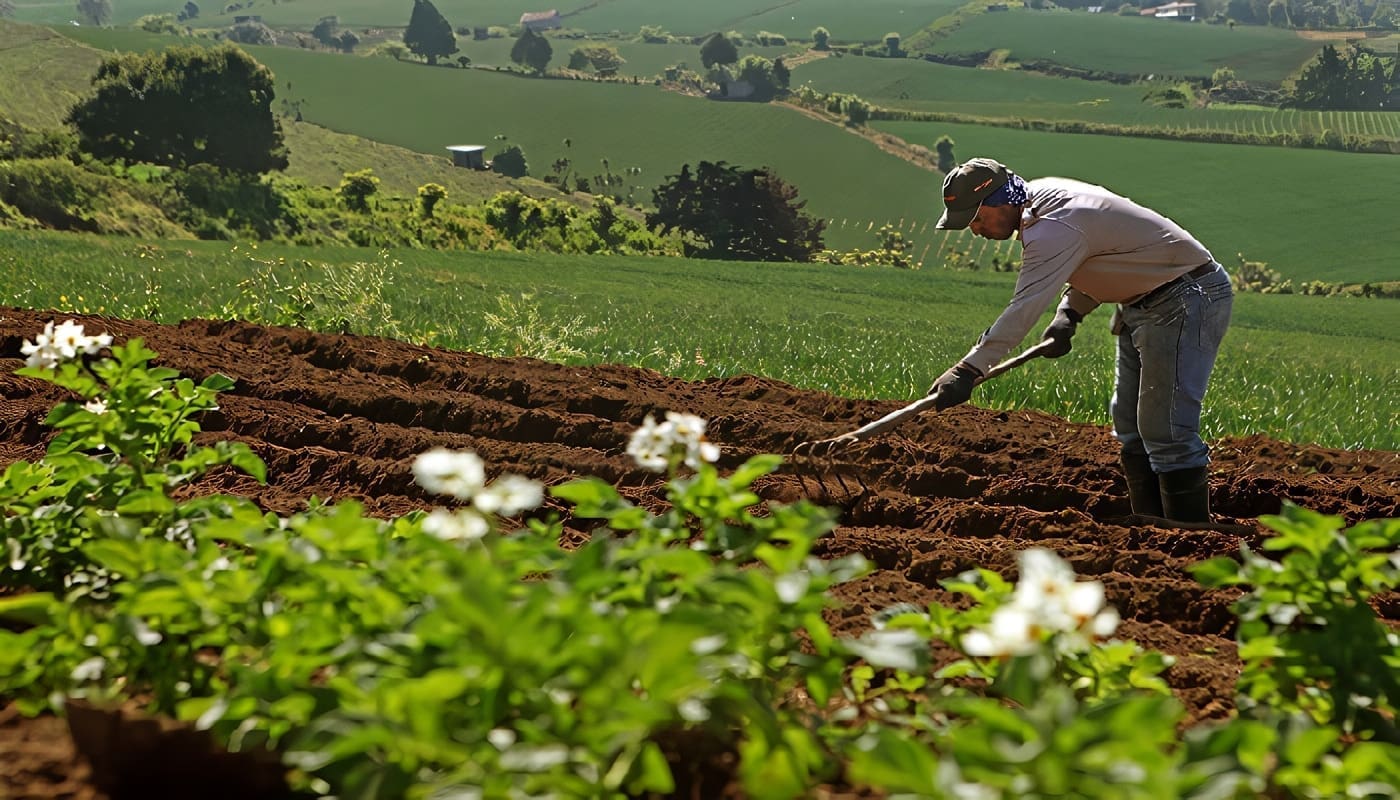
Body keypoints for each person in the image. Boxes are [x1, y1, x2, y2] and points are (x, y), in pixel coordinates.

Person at [927, 157, 1233, 522]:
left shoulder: (1051, 227)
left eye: (977, 218)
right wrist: (1069, 314)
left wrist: (968, 369)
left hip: (1183, 298)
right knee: (1129, 425)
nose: (975, 230)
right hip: (1141, 302)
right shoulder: (1041, 200)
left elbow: (1023, 308)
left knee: (1164, 428)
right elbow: (1109, 254)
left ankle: (1188, 530)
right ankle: (1153, 526)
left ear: (1002, 202)